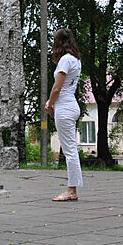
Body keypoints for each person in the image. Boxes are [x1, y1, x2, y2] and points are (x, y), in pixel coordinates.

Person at [45, 28, 83, 201]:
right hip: (71, 105)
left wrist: (49, 103)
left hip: (64, 107)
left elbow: (57, 87)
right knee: (71, 149)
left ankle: (71, 190)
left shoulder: (65, 60)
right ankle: (72, 188)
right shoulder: (75, 60)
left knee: (69, 150)